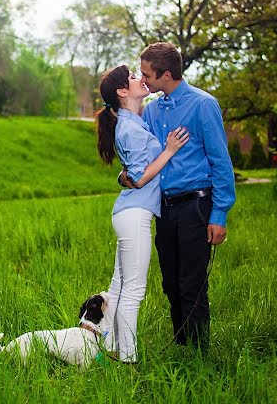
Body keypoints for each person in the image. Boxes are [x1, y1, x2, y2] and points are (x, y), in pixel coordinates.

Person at [121, 42, 236, 349]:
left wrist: (219, 214)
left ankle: (198, 352)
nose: (143, 79)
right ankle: (181, 345)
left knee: (191, 284)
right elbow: (142, 158)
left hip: (197, 205)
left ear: (167, 74)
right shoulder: (153, 110)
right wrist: (125, 174)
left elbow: (221, 162)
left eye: (147, 74)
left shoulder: (203, 105)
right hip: (165, 209)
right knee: (170, 282)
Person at [95, 64, 189, 363]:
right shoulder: (130, 127)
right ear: (123, 91)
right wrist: (170, 150)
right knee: (133, 291)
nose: (141, 79)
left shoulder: (132, 121)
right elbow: (139, 177)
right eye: (135, 78)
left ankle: (106, 345)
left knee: (120, 286)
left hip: (131, 212)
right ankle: (128, 359)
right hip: (134, 214)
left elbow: (131, 174)